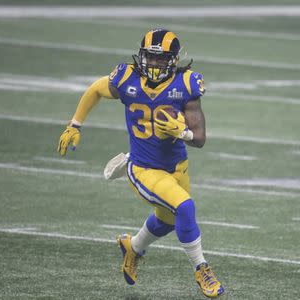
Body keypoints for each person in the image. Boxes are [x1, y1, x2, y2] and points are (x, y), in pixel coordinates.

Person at [57, 28, 224, 298]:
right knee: (185, 207)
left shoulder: (186, 84)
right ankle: (202, 269)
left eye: (161, 59)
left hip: (178, 168)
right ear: (142, 56)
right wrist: (75, 124)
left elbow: (200, 138)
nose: (154, 64)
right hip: (143, 169)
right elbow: (96, 89)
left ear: (174, 59)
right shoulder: (127, 78)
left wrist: (181, 133)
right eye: (150, 57)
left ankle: (133, 247)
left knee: (169, 220)